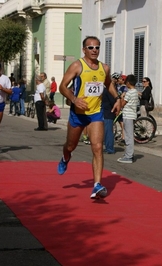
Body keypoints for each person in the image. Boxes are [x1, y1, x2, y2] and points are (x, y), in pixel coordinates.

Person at [57, 36, 121, 199]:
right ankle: (65, 157)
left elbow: (108, 84)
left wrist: (118, 98)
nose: (94, 50)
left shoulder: (104, 68)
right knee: (71, 146)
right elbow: (62, 86)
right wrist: (74, 99)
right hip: (78, 114)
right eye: (90, 47)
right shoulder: (77, 66)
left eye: (97, 47)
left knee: (98, 147)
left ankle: (97, 185)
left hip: (95, 114)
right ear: (84, 49)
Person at [117, 74, 139, 163]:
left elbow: (122, 104)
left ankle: (129, 156)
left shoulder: (129, 92)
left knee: (128, 136)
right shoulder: (135, 92)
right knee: (129, 135)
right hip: (131, 115)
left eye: (126, 82)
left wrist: (122, 96)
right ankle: (129, 153)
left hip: (128, 116)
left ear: (129, 83)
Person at [102, 88, 116, 154]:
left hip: (108, 113)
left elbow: (113, 101)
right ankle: (108, 147)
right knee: (106, 131)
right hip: (105, 113)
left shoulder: (108, 90)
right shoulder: (104, 90)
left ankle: (110, 148)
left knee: (108, 132)